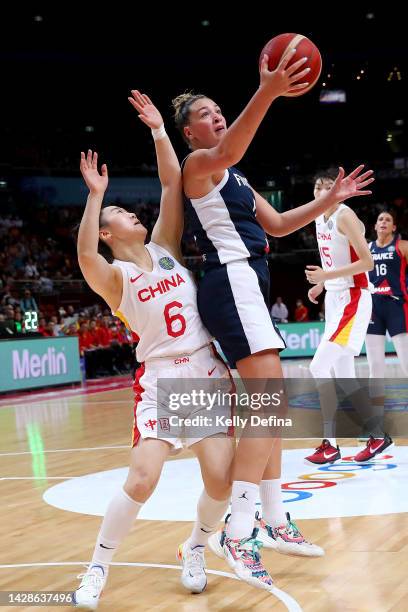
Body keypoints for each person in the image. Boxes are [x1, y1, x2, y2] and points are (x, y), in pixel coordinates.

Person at [172, 49, 374, 589]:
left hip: (249, 284)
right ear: (189, 135)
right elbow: (234, 141)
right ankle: (239, 530)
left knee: (269, 406)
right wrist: (268, 89)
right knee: (269, 401)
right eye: (207, 114)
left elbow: (281, 224)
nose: (216, 116)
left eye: (219, 109)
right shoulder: (199, 166)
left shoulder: (233, 175)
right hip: (230, 279)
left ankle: (275, 518)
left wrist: (329, 200)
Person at [72, 92, 234, 609]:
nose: (131, 213)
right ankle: (97, 565)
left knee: (221, 479)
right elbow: (82, 255)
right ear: (106, 233)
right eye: (119, 213)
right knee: (142, 479)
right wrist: (97, 195)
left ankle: (195, 546)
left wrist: (160, 130)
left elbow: (171, 183)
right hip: (162, 378)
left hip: (205, 369)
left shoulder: (165, 247)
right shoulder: (115, 277)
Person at [304, 169, 375, 466]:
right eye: (317, 187)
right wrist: (323, 283)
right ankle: (377, 435)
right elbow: (333, 254)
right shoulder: (319, 216)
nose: (322, 191)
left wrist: (326, 276)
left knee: (318, 366)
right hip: (335, 298)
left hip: (353, 299)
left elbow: (367, 262)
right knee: (345, 378)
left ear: (337, 190)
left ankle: (330, 444)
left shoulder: (344, 216)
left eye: (327, 186)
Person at [355, 210, 408, 461]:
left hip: (397, 306)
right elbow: (350, 270)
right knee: (375, 368)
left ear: (394, 226)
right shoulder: (366, 248)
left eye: (388, 219)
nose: (383, 222)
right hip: (373, 307)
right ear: (375, 226)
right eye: (380, 219)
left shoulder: (403, 246)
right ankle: (376, 426)